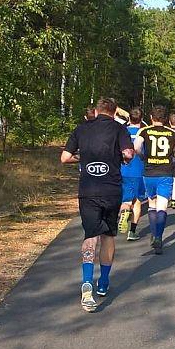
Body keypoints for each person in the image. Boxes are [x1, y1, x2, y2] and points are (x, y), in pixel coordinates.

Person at [61, 98, 134, 312]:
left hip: (88, 190)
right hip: (111, 189)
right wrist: (123, 159)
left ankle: (87, 283)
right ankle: (103, 281)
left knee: (90, 236)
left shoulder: (81, 129)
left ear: (96, 110)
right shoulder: (119, 129)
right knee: (108, 236)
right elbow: (128, 154)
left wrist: (83, 159)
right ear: (113, 112)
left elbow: (64, 157)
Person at [133, 106, 175, 254]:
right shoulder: (172, 133)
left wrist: (143, 156)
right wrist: (170, 156)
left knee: (152, 204)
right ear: (166, 119)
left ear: (151, 117)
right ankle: (158, 237)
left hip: (149, 172)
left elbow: (136, 147)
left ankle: (154, 233)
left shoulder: (144, 131)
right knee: (162, 206)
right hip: (165, 173)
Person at [119, 107, 147, 241]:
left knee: (125, 199)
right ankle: (132, 231)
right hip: (139, 170)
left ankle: (124, 211)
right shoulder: (144, 134)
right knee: (137, 201)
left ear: (129, 118)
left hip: (122, 169)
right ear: (141, 119)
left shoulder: (121, 132)